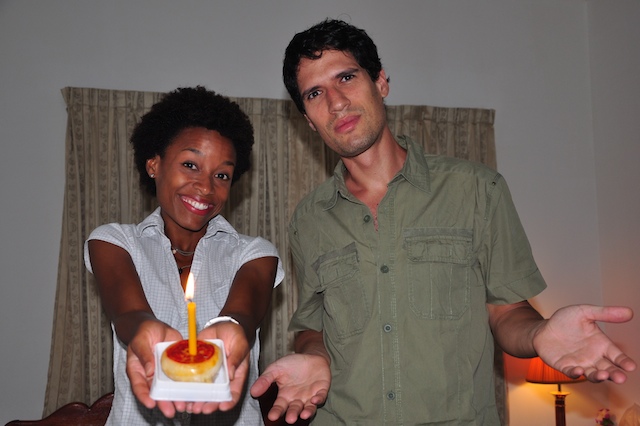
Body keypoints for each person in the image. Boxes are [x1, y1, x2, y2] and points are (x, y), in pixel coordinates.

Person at [250, 19, 637, 424]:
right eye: (315, 93)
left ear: (380, 82)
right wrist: (313, 355)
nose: (336, 102)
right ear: (309, 120)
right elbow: (313, 326)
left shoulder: (478, 189)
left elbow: (507, 314)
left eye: (346, 77)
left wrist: (540, 334)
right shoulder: (309, 219)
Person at [85, 86, 284, 425]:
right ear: (154, 165)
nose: (206, 187)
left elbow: (242, 314)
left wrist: (231, 329)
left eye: (221, 175)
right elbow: (128, 311)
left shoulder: (254, 253)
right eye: (191, 165)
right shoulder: (115, 242)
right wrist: (144, 329)